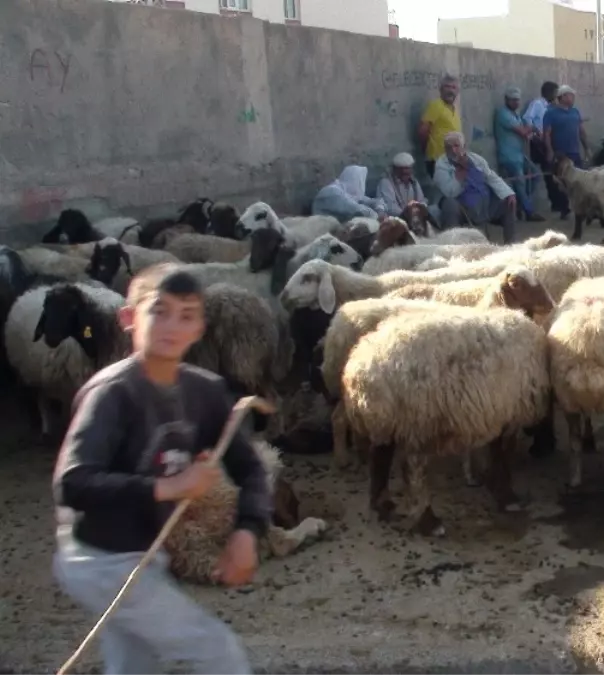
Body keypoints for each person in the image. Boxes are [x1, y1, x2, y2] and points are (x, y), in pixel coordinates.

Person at [52, 263, 272, 675]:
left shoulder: (203, 392)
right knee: (217, 651)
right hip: (99, 560)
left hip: (143, 558)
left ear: (200, 328)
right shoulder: (112, 394)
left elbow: (250, 470)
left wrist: (247, 532)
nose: (172, 325)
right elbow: (73, 482)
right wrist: (166, 488)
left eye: (186, 315)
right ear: (128, 318)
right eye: (159, 311)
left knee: (134, 665)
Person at [433, 132, 518, 243]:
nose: (453, 150)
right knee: (449, 204)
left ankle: (510, 244)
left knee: (509, 201)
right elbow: (449, 192)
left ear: (463, 146)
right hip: (463, 208)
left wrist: (508, 193)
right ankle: (452, 245)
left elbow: (491, 177)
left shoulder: (476, 159)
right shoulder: (441, 165)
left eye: (456, 146)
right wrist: (460, 179)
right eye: (449, 147)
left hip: (484, 204)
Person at [493, 86, 545, 223]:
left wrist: (532, 132)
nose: (516, 103)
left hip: (519, 155)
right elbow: (522, 131)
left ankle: (522, 204)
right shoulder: (503, 113)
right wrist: (533, 128)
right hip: (508, 156)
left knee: (535, 176)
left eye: (517, 100)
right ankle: (529, 211)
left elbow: (525, 132)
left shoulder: (515, 115)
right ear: (506, 100)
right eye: (513, 100)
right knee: (520, 182)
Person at [542, 85, 590, 219]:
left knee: (580, 181)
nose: (572, 98)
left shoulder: (575, 112)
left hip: (574, 152)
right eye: (570, 95)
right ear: (562, 97)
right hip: (560, 154)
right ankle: (565, 209)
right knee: (562, 183)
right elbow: (546, 134)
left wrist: (587, 148)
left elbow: (581, 131)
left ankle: (582, 208)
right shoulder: (550, 113)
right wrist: (550, 151)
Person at [523, 80, 570, 218]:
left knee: (552, 173)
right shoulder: (537, 104)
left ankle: (559, 204)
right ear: (549, 93)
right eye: (556, 92)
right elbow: (527, 118)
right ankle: (558, 204)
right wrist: (536, 133)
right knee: (549, 173)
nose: (557, 95)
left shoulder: (551, 106)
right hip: (540, 143)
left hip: (550, 141)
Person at [418, 74, 462, 177]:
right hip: (438, 159)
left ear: (457, 91)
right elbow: (422, 130)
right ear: (440, 89)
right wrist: (426, 150)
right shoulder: (436, 105)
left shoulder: (454, 108)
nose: (450, 90)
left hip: (453, 158)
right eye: (447, 86)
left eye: (453, 87)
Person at [376, 152, 442, 223]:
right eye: (402, 169)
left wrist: (421, 209)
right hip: (397, 219)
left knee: (434, 210)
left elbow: (421, 200)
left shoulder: (413, 181)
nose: (405, 172)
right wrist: (410, 214)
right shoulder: (386, 182)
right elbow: (391, 208)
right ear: (395, 169)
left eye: (407, 168)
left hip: (414, 216)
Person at [311, 165, 386, 220]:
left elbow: (376, 201)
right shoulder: (331, 193)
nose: (361, 186)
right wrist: (379, 217)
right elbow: (358, 210)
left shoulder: (349, 193)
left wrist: (380, 210)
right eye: (359, 182)